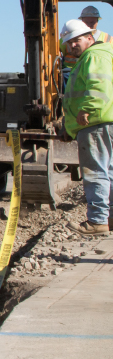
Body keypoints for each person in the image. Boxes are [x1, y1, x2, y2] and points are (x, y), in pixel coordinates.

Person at [60, 18, 113, 234]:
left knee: (95, 172)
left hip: (96, 122)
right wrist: (69, 126)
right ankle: (108, 219)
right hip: (104, 120)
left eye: (77, 40)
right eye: (69, 42)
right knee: (108, 171)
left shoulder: (94, 56)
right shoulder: (104, 53)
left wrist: (86, 110)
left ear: (90, 37)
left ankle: (98, 221)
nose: (73, 45)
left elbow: (98, 84)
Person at [61, 6, 111, 87]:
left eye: (92, 22)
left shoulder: (107, 40)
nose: (89, 25)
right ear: (82, 21)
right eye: (86, 22)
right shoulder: (66, 39)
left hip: (91, 71)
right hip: (70, 72)